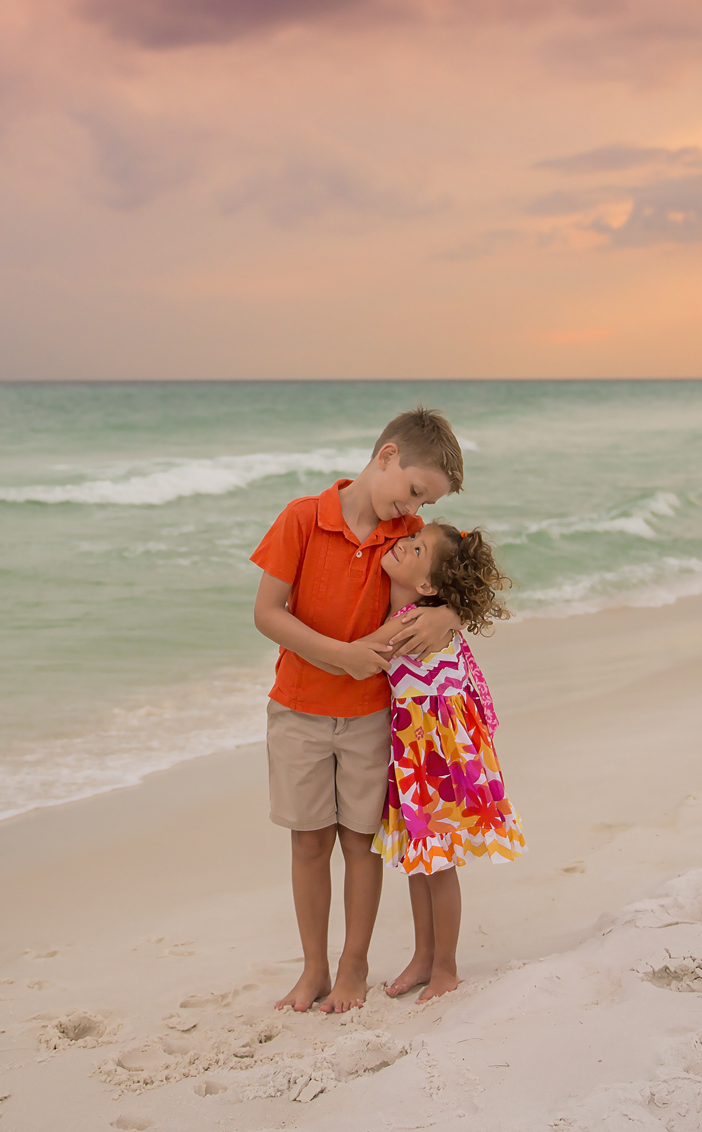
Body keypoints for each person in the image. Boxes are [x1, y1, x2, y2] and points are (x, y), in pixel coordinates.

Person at [250, 407, 466, 1013]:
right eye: (415, 490)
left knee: (360, 843)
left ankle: (354, 966)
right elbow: (268, 614)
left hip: (374, 716)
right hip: (298, 710)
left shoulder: (410, 538)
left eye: (426, 500)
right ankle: (314, 968)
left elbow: (463, 580)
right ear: (388, 456)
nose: (414, 506)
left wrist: (449, 616)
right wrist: (342, 655)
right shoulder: (301, 518)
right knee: (308, 844)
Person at [373, 521, 524, 1003]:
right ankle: (423, 957)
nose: (401, 544)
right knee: (421, 859)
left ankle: (446, 967)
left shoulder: (413, 621)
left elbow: (364, 651)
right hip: (418, 747)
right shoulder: (427, 611)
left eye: (415, 547)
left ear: (426, 586)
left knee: (438, 864)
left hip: (437, 754)